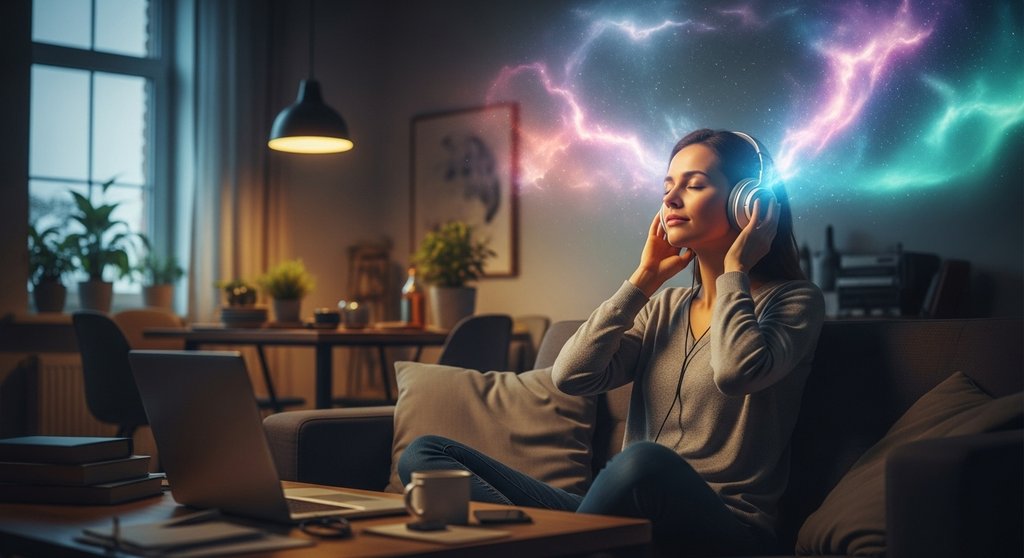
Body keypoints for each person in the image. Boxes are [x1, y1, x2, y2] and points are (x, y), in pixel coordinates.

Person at [398, 129, 825, 556]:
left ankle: (565, 545)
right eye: (668, 186)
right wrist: (643, 281)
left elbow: (735, 373)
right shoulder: (665, 307)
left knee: (644, 461)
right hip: (627, 515)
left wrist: (735, 271)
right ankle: (559, 546)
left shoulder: (794, 301)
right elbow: (570, 376)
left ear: (748, 203)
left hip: (725, 529)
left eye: (694, 185)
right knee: (427, 454)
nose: (671, 198)